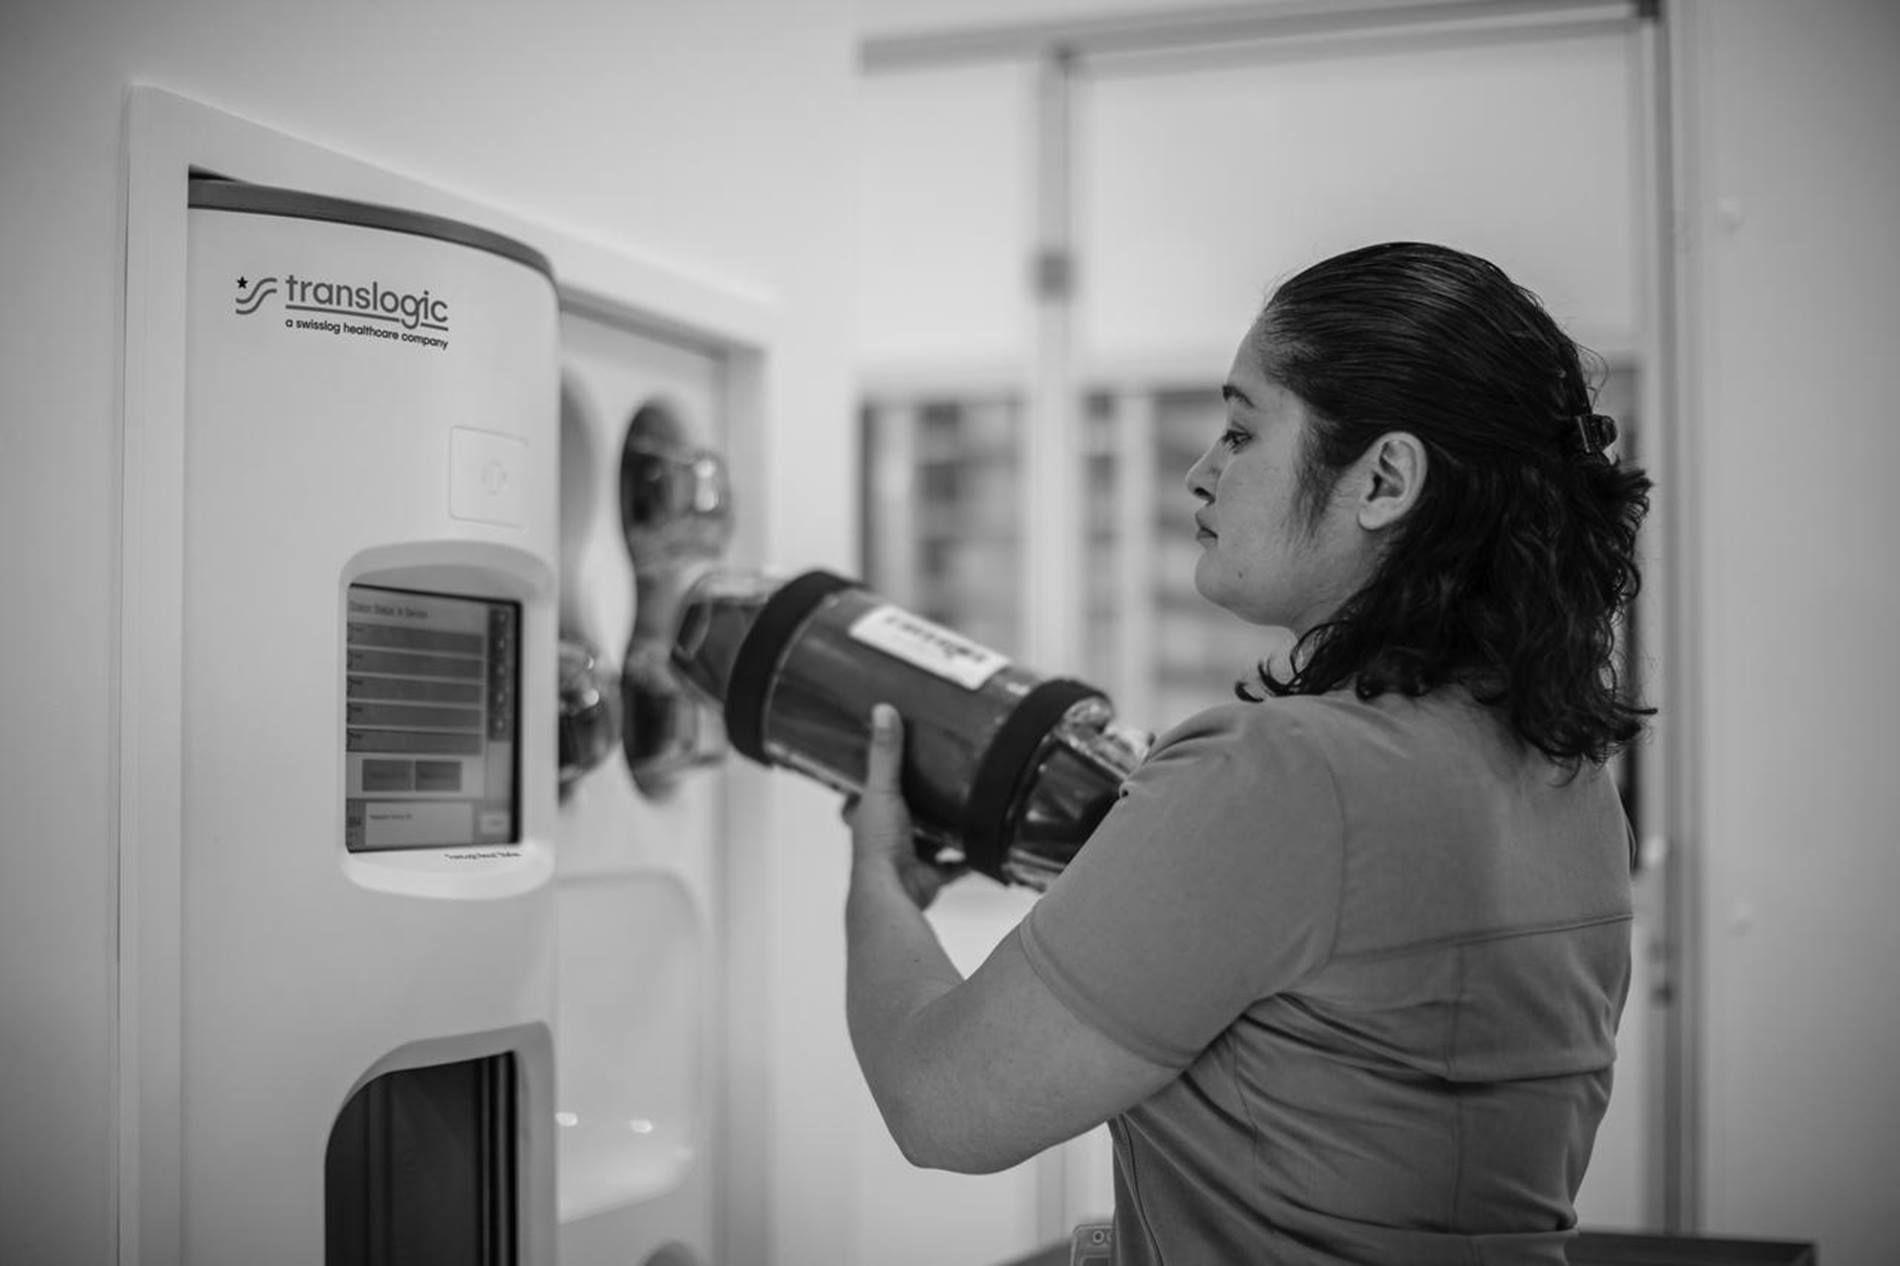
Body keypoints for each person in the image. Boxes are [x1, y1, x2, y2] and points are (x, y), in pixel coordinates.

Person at [841, 241, 1653, 1264]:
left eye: (1237, 431)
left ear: (1385, 478)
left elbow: (939, 1105)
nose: (1199, 472)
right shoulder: (1565, 777)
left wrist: (877, 880)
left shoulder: (1279, 773)